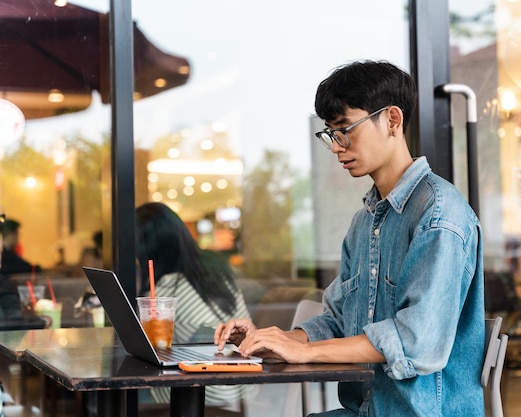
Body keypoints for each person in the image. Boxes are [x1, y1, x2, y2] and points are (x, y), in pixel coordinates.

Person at [215, 60, 485, 416]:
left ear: (392, 120)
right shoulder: (365, 223)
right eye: (330, 133)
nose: (337, 146)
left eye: (346, 129)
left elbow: (418, 341)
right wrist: (274, 341)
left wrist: (305, 352)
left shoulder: (439, 214)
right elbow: (338, 322)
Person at [135, 202, 252, 406]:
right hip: (242, 388)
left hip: (202, 392)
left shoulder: (167, 288)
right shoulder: (216, 271)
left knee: (110, 397)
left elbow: (142, 342)